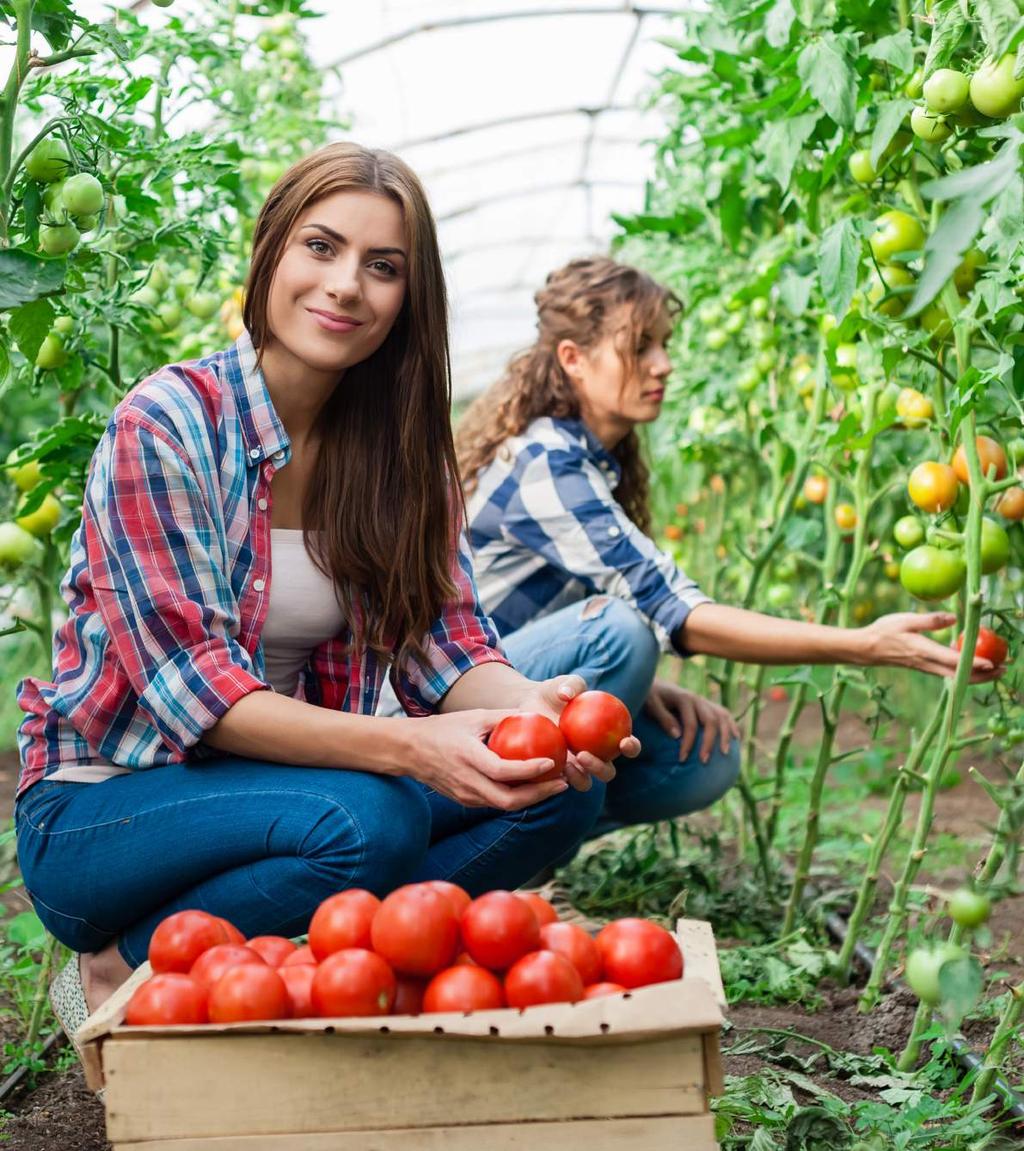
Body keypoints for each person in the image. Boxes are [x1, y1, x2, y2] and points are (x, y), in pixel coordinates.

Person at [14, 147, 636, 1044]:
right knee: (368, 817)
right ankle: (130, 957)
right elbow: (205, 698)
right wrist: (411, 748)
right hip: (106, 805)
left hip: (268, 792)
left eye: (383, 267)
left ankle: (321, 961)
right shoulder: (168, 424)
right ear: (271, 252)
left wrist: (534, 711)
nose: (347, 285)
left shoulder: (396, 459)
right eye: (321, 246)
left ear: (407, 299)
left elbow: (448, 643)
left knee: (550, 792)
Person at [453, 255, 1001, 842]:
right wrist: (868, 645)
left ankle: (506, 845)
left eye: (663, 344)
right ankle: (489, 831)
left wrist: (647, 689)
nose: (663, 365)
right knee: (619, 634)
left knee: (700, 760)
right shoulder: (549, 466)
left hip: (513, 682)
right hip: (453, 706)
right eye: (639, 347)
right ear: (573, 359)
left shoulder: (591, 461)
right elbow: (677, 615)